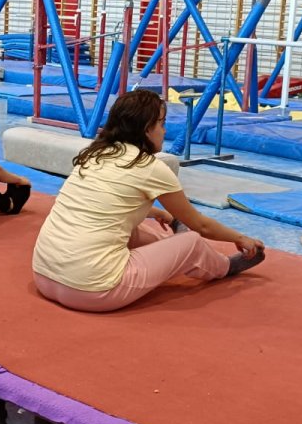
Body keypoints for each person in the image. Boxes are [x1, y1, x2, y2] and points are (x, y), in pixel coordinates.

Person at [32, 90, 266, 313]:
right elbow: (200, 225)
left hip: (43, 276)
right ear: (146, 129)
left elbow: (106, 206)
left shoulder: (95, 154)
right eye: (162, 124)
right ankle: (223, 267)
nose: (164, 131)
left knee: (127, 228)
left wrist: (157, 213)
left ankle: (168, 250)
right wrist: (240, 238)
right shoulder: (150, 167)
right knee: (190, 241)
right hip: (94, 292)